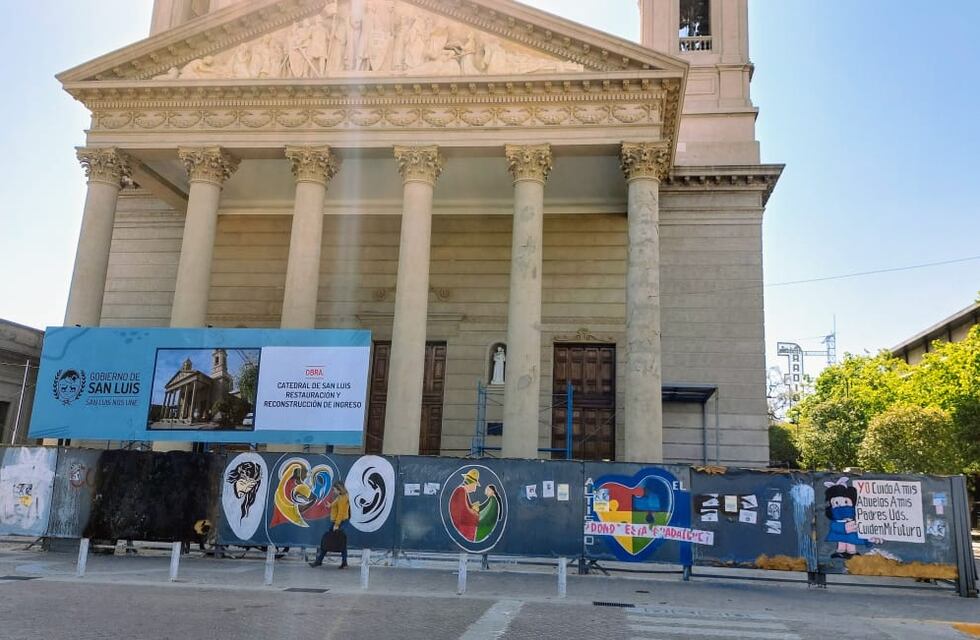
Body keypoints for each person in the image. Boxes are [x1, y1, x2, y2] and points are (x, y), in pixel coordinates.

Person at [309, 481, 350, 569]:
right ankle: (343, 563)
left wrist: (337, 525)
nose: (333, 491)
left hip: (340, 522)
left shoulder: (342, 498)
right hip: (339, 522)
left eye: (334, 489)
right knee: (340, 542)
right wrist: (330, 505)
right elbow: (336, 503)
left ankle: (319, 561)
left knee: (330, 541)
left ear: (339, 490)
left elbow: (341, 513)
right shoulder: (341, 497)